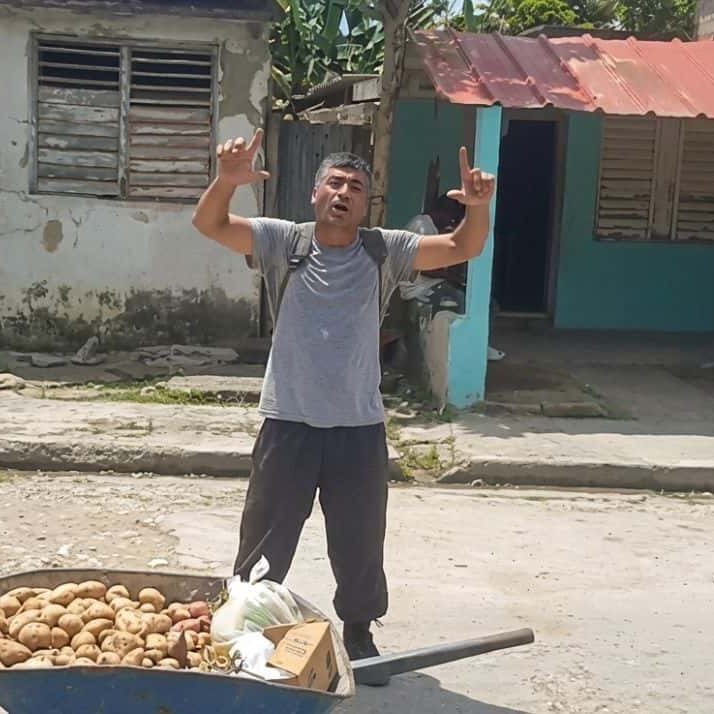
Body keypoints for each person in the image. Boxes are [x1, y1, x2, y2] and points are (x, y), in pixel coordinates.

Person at [191, 129, 496, 684]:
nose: (343, 193)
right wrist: (226, 181)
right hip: (288, 420)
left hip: (358, 426)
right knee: (264, 536)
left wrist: (477, 208)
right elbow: (209, 224)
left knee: (359, 540)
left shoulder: (385, 249)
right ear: (315, 193)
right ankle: (245, 629)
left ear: (365, 202)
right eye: (334, 183)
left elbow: (462, 248)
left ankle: (359, 632)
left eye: (355, 187)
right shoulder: (283, 241)